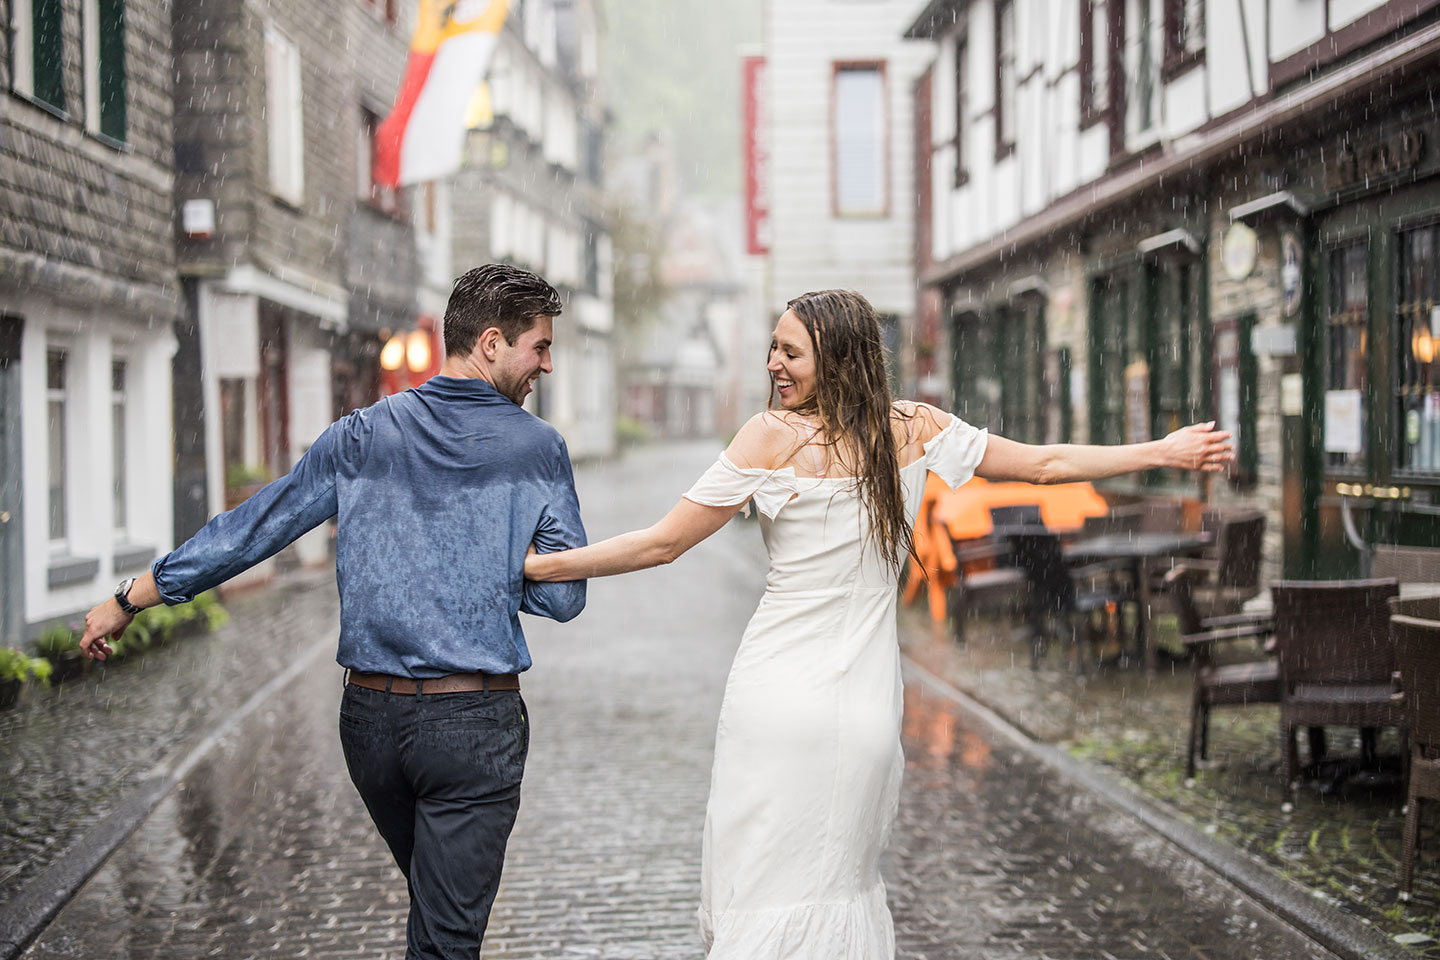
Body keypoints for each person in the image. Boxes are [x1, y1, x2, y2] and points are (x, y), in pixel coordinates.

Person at [524, 288, 1232, 959]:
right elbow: (1044, 463)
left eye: (791, 352)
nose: (773, 364)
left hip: (774, 695)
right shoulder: (914, 429)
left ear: (836, 358)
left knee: (764, 875)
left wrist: (539, 568)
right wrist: (1160, 452)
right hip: (863, 700)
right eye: (772, 348)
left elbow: (662, 542)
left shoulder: (768, 438)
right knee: (839, 879)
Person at [79, 264, 588, 960]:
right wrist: (496, 560)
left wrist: (129, 597)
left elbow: (254, 528)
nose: (547, 366)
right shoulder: (538, 449)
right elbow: (564, 597)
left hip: (371, 728)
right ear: (493, 342)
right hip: (472, 728)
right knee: (447, 935)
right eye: (541, 347)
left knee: (439, 911)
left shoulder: (358, 436)